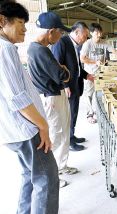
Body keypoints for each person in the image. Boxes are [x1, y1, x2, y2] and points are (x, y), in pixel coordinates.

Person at [0, 2, 59, 213]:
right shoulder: (4, 48)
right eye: (20, 22)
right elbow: (17, 97)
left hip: (14, 129)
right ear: (1, 21)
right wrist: (42, 125)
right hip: (25, 129)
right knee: (47, 179)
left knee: (29, 175)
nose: (25, 28)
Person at [27, 11, 79, 188]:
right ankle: (53, 175)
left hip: (54, 95)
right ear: (51, 31)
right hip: (51, 97)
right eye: (60, 33)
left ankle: (62, 166)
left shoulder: (39, 49)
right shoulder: (40, 51)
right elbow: (62, 75)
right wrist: (64, 70)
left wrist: (62, 70)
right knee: (56, 135)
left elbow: (60, 73)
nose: (61, 36)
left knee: (63, 131)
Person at [51, 21, 94, 151]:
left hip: (75, 85)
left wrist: (87, 75)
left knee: (73, 113)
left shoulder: (76, 46)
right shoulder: (62, 42)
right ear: (76, 32)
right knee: (68, 114)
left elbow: (77, 67)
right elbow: (57, 65)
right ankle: (68, 141)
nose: (86, 38)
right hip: (68, 87)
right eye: (85, 35)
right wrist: (64, 85)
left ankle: (72, 136)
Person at [80, 23, 117, 124]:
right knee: (89, 94)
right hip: (89, 73)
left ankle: (99, 112)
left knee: (101, 92)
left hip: (102, 73)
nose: (99, 34)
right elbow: (82, 59)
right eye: (96, 32)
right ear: (91, 33)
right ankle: (89, 114)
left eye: (100, 31)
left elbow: (115, 52)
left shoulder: (105, 42)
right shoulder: (88, 44)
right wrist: (95, 62)